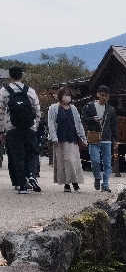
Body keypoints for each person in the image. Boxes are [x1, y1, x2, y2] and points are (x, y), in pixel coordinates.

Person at [0, 65, 42, 193]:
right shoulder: (30, 90)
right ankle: (32, 176)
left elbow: (1, 112)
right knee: (32, 153)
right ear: (21, 76)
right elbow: (37, 110)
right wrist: (35, 125)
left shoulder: (4, 91)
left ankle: (22, 185)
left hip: (12, 128)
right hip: (29, 127)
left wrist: (1, 130)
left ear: (10, 76)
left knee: (17, 155)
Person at [47, 87, 87, 191]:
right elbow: (51, 123)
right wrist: (53, 137)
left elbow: (78, 123)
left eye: (69, 94)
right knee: (62, 161)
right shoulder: (53, 108)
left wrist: (83, 137)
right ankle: (67, 184)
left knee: (72, 160)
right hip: (59, 139)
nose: (67, 97)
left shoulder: (73, 108)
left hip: (72, 138)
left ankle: (74, 182)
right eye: (65, 94)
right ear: (60, 96)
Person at [82, 85, 117, 191]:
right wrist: (93, 119)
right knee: (95, 160)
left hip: (107, 138)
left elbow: (114, 125)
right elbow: (83, 120)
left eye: (106, 96)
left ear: (108, 97)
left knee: (107, 163)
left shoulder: (111, 109)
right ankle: (97, 177)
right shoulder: (89, 106)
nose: (104, 98)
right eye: (102, 95)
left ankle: (105, 185)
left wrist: (115, 140)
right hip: (93, 137)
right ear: (97, 94)